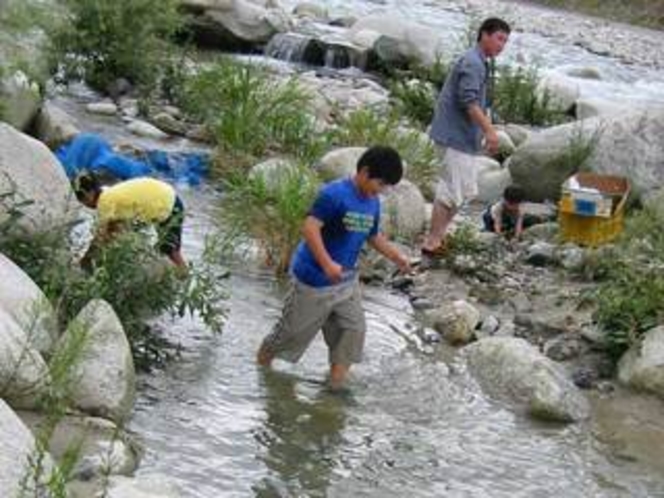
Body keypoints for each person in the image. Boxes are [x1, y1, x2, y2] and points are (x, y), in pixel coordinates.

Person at [256, 146, 411, 389]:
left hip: (346, 281)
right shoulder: (334, 194)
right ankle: (260, 368)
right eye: (380, 184)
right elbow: (310, 228)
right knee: (289, 335)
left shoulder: (372, 202)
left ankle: (335, 389)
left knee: (353, 330)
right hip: (313, 279)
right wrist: (327, 263)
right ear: (364, 171)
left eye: (386, 187)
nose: (381, 191)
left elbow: (372, 236)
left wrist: (396, 256)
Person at [421, 17, 511, 259]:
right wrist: (490, 131)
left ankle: (438, 236)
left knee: (463, 190)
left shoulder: (481, 61)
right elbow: (468, 101)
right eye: (499, 38)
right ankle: (432, 241)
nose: (502, 45)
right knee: (451, 191)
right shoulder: (473, 62)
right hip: (454, 136)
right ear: (484, 35)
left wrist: (484, 131)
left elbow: (477, 103)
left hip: (464, 138)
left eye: (505, 41)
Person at [73, 172, 187, 268]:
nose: (86, 205)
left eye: (84, 200)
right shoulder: (107, 192)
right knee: (119, 232)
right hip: (162, 198)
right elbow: (112, 229)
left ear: (90, 193)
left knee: (170, 251)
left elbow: (100, 237)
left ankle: (184, 277)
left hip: (168, 204)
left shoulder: (104, 202)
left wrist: (85, 260)